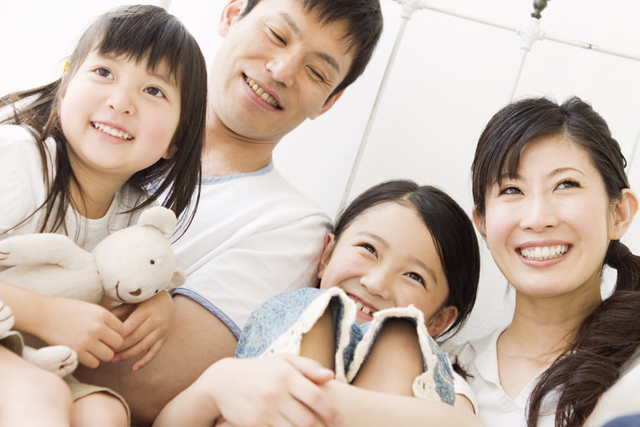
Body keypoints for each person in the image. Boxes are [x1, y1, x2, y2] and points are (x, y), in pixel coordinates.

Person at [75, 0, 385, 424]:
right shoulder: (100, 109)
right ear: (232, 13)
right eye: (277, 35)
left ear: (328, 102)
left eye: (316, 72)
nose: (281, 70)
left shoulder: (291, 227)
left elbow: (146, 382)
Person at [0, 4, 206, 426]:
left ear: (176, 138)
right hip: (26, 364)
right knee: (38, 394)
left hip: (37, 359)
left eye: (154, 91)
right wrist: (44, 314)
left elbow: (132, 277)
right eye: (104, 72)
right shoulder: (17, 159)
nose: (120, 102)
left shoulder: (135, 217)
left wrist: (160, 303)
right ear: (65, 87)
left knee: (105, 411)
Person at [153, 179, 483, 427]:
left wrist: (306, 394)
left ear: (440, 321)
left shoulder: (439, 378)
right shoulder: (280, 326)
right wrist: (217, 383)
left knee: (402, 341)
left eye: (414, 276)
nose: (376, 283)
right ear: (326, 255)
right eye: (368, 249)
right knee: (313, 307)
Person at [449, 96, 640, 427]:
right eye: (511, 190)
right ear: (483, 223)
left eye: (566, 184)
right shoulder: (443, 372)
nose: (537, 219)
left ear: (619, 213)